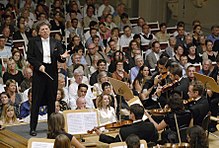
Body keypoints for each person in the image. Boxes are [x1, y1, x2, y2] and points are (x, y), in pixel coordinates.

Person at [27, 21, 69, 136]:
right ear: (39, 32)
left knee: (51, 100)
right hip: (39, 72)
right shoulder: (33, 42)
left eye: (46, 29)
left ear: (49, 30)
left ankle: (52, 128)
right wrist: (38, 65)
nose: (45, 31)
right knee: (36, 101)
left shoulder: (56, 42)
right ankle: (33, 128)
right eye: (42, 29)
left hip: (52, 72)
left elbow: (60, 58)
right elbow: (30, 57)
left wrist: (63, 57)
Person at [94, 104, 158, 144]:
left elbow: (114, 142)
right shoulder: (150, 126)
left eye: (130, 113)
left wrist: (101, 135)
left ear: (132, 115)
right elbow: (155, 138)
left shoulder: (125, 130)